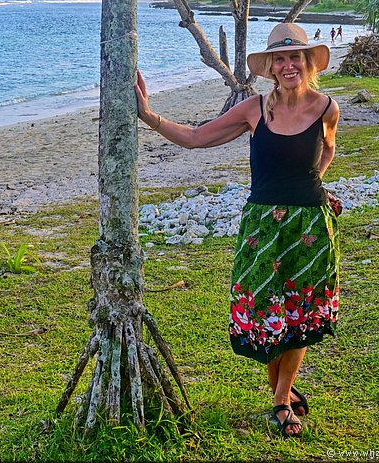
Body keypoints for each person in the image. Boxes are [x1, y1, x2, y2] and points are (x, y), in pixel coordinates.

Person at [135, 23, 340, 438]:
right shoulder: (254, 109)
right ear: (269, 67)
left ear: (307, 63)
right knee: (264, 310)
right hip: (261, 227)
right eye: (279, 59)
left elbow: (329, 148)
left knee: (300, 311)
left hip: (310, 226)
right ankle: (279, 388)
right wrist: (148, 116)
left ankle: (282, 400)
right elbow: (195, 138)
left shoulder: (327, 108)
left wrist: (311, 184)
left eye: (294, 57)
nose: (288, 65)